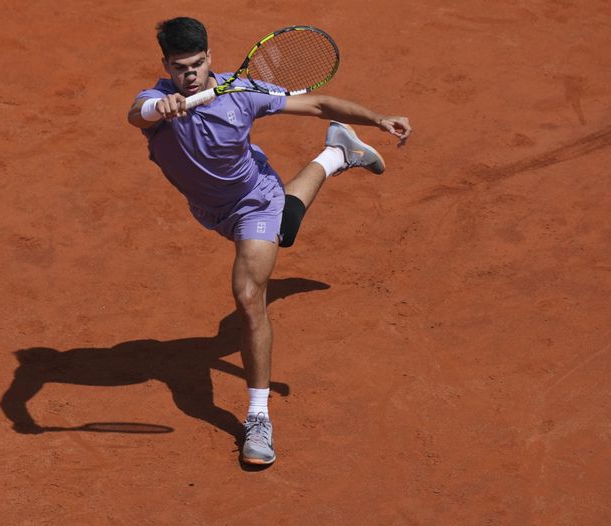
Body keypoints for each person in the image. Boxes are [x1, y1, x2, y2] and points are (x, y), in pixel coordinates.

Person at [127, 17, 411, 465]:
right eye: (180, 68)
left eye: (197, 65)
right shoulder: (155, 101)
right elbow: (136, 114)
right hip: (211, 211)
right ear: (166, 65)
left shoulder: (242, 93)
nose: (190, 75)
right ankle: (337, 153)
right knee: (287, 230)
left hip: (253, 201)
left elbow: (317, 104)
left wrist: (378, 118)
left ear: (210, 58)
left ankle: (258, 418)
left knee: (248, 295)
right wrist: (160, 109)